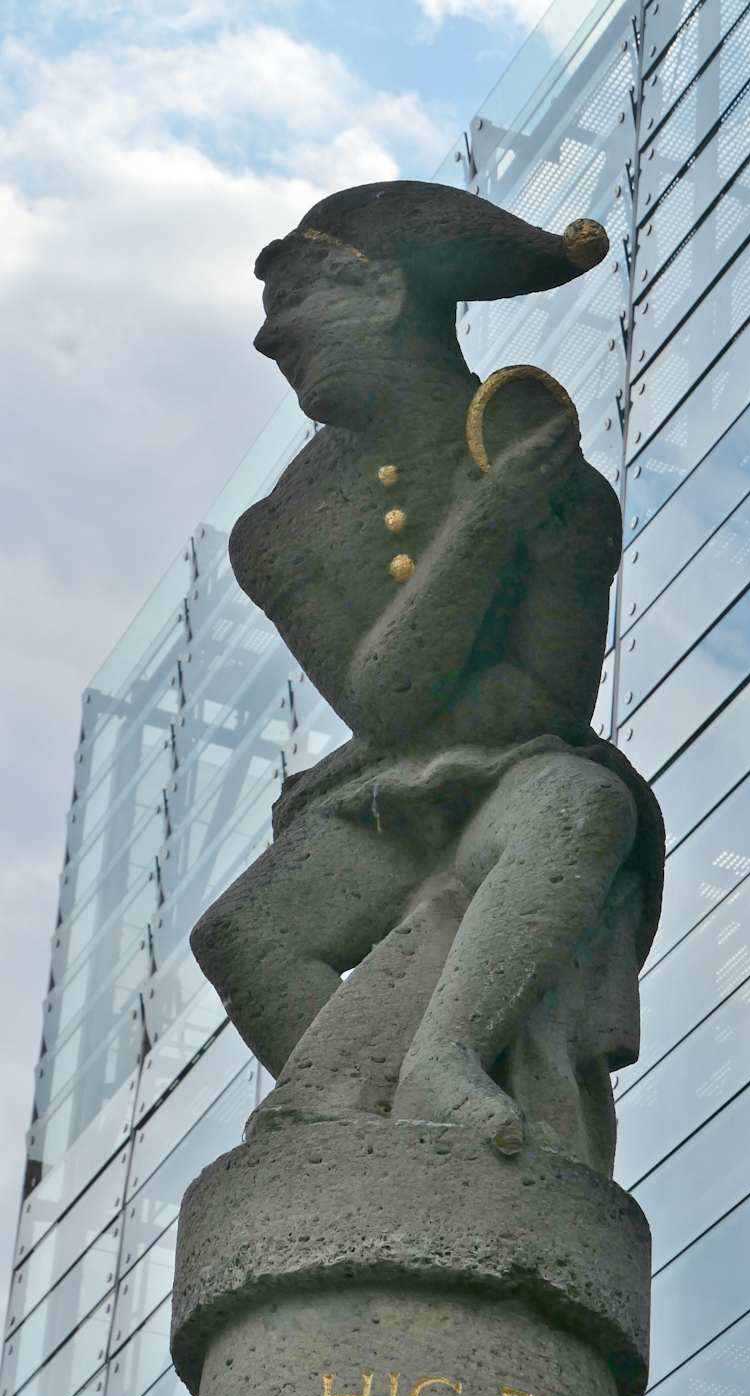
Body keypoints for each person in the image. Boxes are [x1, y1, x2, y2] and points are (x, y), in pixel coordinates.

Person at [190, 180, 664, 1159]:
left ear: (384, 292)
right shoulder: (276, 531)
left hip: (511, 780)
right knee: (244, 931)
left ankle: (445, 1058)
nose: (270, 339)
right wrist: (485, 523)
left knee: (581, 807)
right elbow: (384, 701)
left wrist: (436, 699)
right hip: (386, 797)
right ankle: (358, 1125)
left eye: (297, 298)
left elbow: (547, 702)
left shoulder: (561, 478)